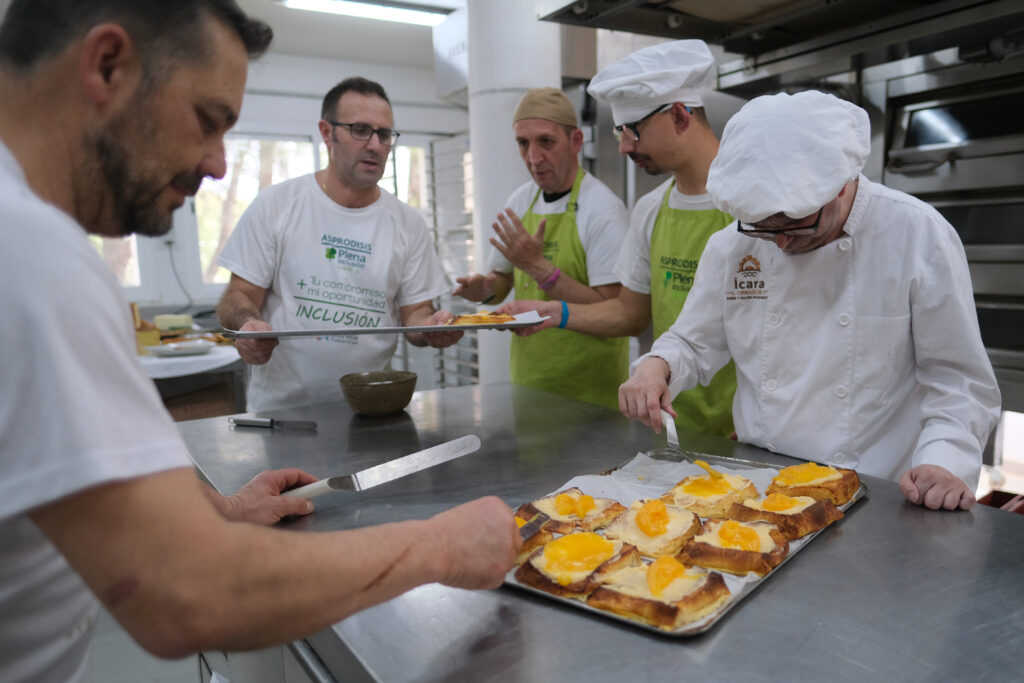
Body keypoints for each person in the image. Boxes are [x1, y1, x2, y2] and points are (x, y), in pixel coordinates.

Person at [0, 2, 519, 680]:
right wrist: (440, 546)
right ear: (106, 65)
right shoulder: (34, 258)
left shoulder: (29, 243)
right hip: (286, 413)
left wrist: (213, 509)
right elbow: (186, 590)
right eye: (208, 119)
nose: (219, 164)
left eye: (386, 135)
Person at [618, 90, 1001, 511]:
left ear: (840, 185)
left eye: (795, 222)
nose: (779, 241)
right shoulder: (732, 246)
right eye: (762, 226)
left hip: (876, 497)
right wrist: (658, 367)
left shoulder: (918, 235)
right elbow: (693, 341)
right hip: (764, 488)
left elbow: (957, 382)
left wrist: (943, 462)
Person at [500, 41, 737, 436]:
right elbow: (630, 313)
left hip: (745, 430)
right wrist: (555, 313)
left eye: (633, 130)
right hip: (671, 426)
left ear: (680, 116)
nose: (624, 146)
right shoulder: (651, 209)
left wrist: (764, 415)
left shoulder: (749, 205)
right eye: (619, 131)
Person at [216, 76, 463, 411]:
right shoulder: (277, 205)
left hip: (372, 410)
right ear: (326, 132)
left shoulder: (408, 223)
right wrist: (247, 326)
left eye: (384, 134)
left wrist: (433, 327)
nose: (375, 144)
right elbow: (238, 295)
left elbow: (416, 314)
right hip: (284, 414)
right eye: (360, 129)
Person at [454, 87, 629, 409]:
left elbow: (614, 312)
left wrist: (539, 268)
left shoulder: (602, 209)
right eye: (523, 143)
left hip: (590, 393)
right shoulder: (521, 200)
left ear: (576, 142)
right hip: (529, 383)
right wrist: (484, 289)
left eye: (546, 142)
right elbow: (503, 278)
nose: (533, 158)